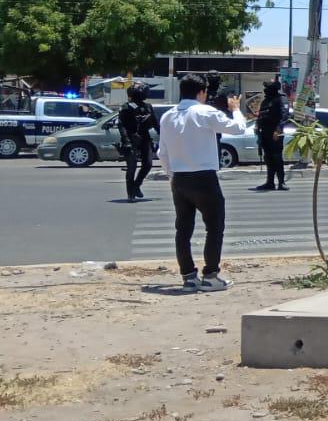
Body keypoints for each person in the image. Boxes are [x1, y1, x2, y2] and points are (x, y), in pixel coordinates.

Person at [157, 73, 249, 292]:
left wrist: (171, 176)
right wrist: (236, 109)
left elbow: (162, 152)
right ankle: (211, 275)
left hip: (179, 177)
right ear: (201, 92)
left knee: (183, 230)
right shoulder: (205, 112)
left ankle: (188, 276)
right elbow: (238, 129)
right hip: (204, 177)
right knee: (215, 228)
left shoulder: (167, 116)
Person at [117, 83, 159, 201]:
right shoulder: (126, 107)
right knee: (131, 167)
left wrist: (164, 136)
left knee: (148, 164)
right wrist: (126, 141)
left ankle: (136, 185)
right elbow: (122, 126)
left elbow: (156, 124)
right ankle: (130, 193)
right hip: (130, 139)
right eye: (145, 92)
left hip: (145, 138)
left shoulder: (148, 107)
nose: (146, 94)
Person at [254, 78, 290, 191]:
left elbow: (284, 116)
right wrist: (257, 126)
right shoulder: (266, 101)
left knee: (277, 157)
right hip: (264, 132)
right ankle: (270, 182)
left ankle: (281, 182)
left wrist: (278, 130)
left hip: (275, 133)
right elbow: (261, 115)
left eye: (268, 88)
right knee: (268, 158)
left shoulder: (281, 99)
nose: (265, 90)